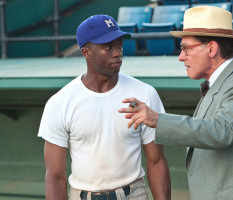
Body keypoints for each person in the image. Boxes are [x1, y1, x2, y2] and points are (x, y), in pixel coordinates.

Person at [118, 6, 233, 200]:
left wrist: (158, 120)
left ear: (211, 48)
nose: (181, 57)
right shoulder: (224, 82)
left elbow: (221, 131)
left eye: (186, 48)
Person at [38, 15, 171, 200]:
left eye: (119, 46)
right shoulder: (60, 102)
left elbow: (156, 162)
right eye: (108, 47)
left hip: (133, 193)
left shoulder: (144, 94)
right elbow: (55, 177)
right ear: (86, 52)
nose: (117, 53)